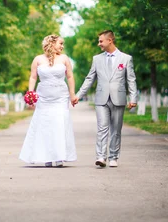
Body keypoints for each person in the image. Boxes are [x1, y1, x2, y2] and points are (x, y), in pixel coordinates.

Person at [72, 30, 137, 168]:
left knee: (116, 130)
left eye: (101, 41)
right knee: (102, 128)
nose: (99, 44)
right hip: (101, 99)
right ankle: (101, 157)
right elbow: (89, 79)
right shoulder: (97, 59)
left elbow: (131, 80)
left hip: (118, 99)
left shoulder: (126, 59)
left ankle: (113, 157)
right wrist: (78, 95)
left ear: (110, 41)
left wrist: (133, 98)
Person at [19, 35, 78, 167]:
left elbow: (69, 76)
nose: (62, 46)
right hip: (44, 97)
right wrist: (30, 92)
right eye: (60, 43)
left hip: (60, 97)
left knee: (59, 123)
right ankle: (46, 156)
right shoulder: (38, 59)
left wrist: (72, 94)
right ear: (51, 43)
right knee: (44, 124)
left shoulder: (64, 58)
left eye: (63, 44)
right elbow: (33, 77)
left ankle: (59, 157)